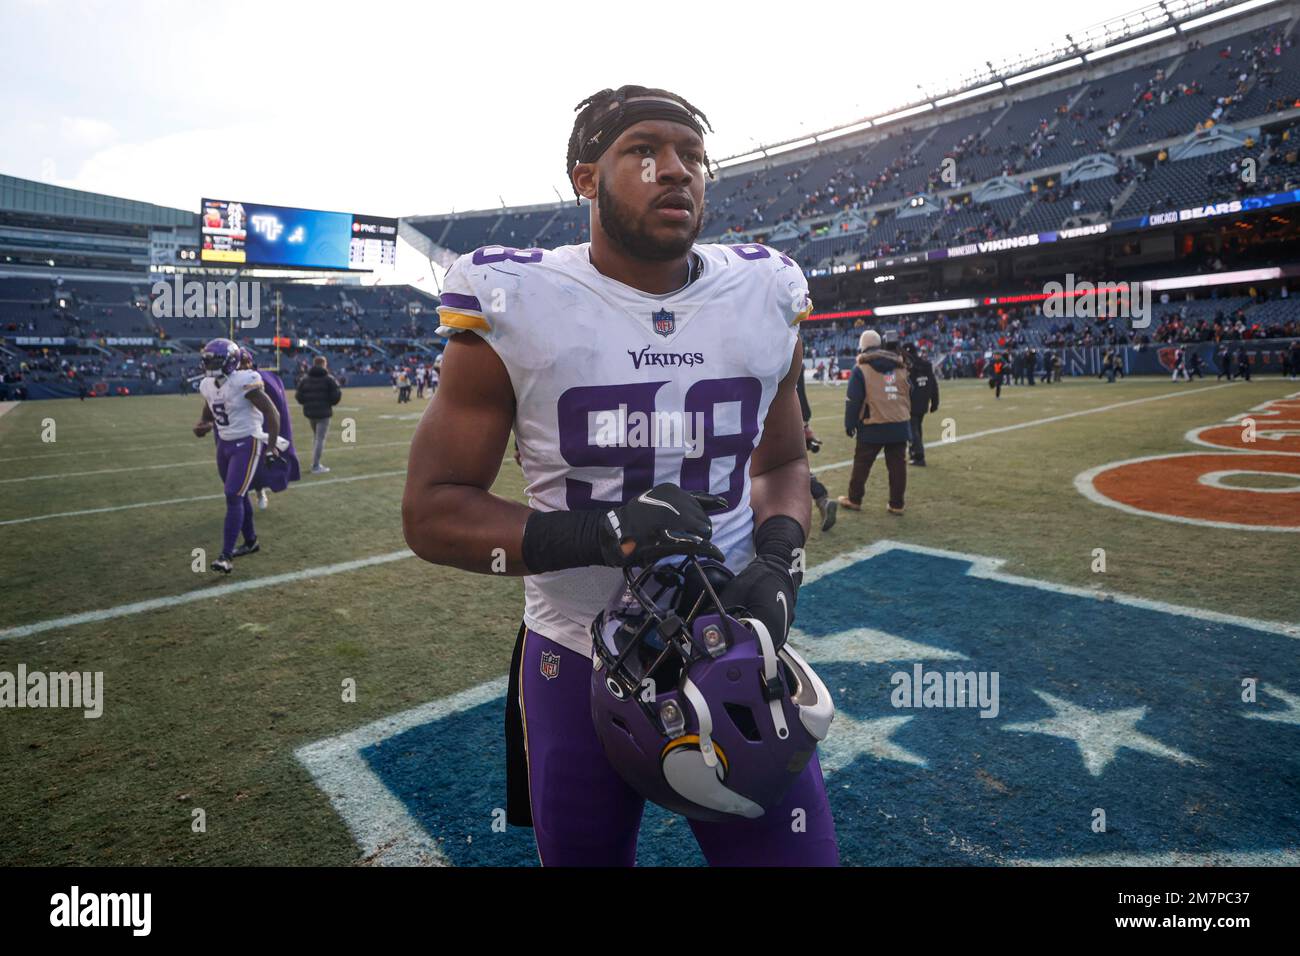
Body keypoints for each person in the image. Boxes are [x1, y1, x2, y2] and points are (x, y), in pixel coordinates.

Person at [401, 84, 836, 867]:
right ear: (585, 177)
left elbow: (781, 462)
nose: (676, 170)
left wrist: (778, 561)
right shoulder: (519, 297)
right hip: (575, 657)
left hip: (732, 643)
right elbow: (433, 511)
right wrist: (599, 535)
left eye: (691, 156)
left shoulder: (766, 292)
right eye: (644, 151)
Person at [193, 338, 283, 574]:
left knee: (233, 494)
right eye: (208, 361)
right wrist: (203, 426)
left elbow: (272, 413)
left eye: (215, 361)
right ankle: (251, 540)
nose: (210, 365)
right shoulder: (208, 384)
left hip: (247, 442)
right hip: (224, 444)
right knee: (238, 495)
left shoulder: (245, 380)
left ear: (230, 361)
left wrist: (272, 448)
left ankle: (225, 556)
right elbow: (208, 413)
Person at [838, 330, 910, 515]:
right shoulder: (900, 365)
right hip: (899, 421)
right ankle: (897, 504)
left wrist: (850, 423)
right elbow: (910, 391)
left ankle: (854, 499)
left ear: (863, 346)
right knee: (897, 466)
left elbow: (853, 399)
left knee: (862, 463)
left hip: (873, 422)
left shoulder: (861, 368)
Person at [796, 366, 837, 530]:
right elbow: (799, 394)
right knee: (795, 466)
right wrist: (805, 424)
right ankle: (822, 499)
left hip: (770, 418)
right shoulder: (791, 350)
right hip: (796, 415)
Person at [295, 355, 343, 474]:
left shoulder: (305, 379)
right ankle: (316, 466)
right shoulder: (329, 379)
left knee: (316, 437)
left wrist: (307, 403)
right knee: (320, 439)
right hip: (323, 412)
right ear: (324, 364)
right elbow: (336, 395)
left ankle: (315, 462)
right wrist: (330, 403)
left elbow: (298, 396)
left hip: (310, 412)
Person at [903, 342, 939, 466]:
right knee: (917, 428)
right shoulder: (926, 365)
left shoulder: (908, 367)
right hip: (923, 403)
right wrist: (935, 402)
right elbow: (933, 384)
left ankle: (919, 456)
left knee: (913, 430)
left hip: (911, 403)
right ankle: (914, 453)